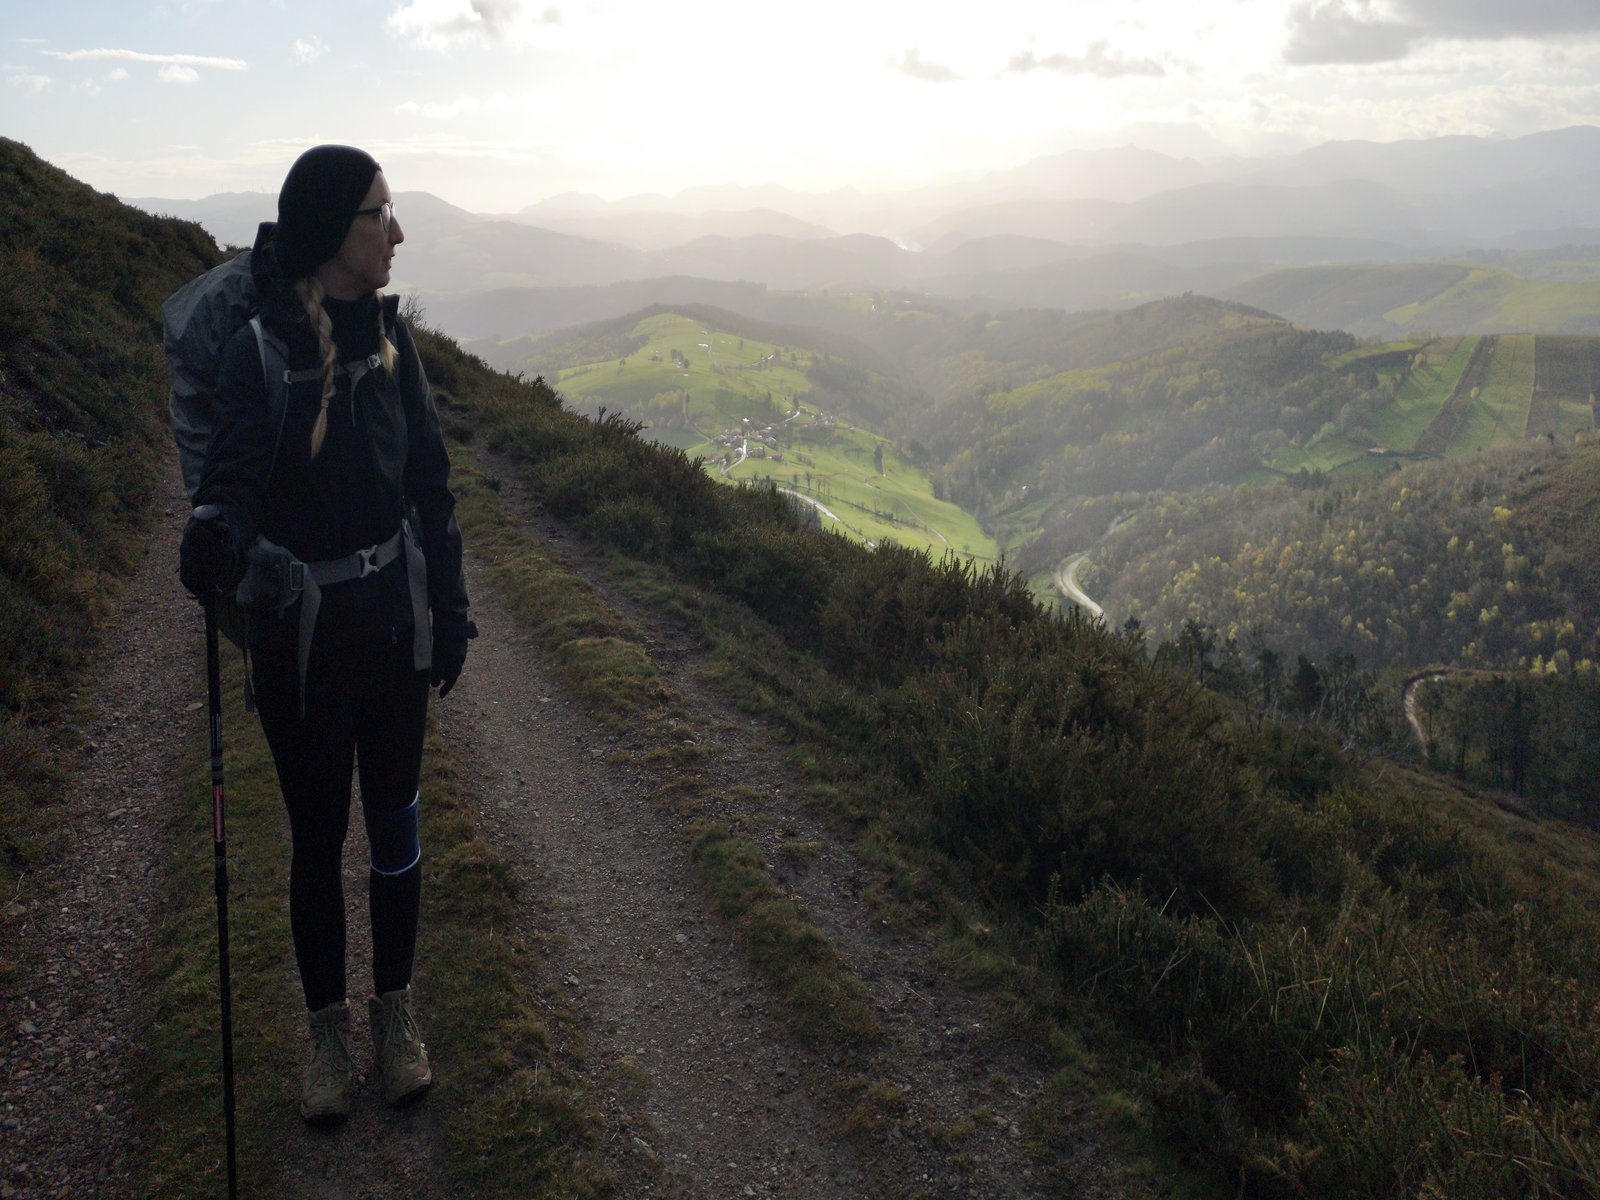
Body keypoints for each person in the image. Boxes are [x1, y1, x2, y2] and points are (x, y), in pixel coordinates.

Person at [178, 144, 475, 1126]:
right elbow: (229, 473)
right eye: (379, 214)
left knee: (393, 829)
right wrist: (213, 533)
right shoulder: (260, 352)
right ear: (331, 233)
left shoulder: (393, 343)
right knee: (318, 841)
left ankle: (393, 1018)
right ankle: (327, 1034)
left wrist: (453, 609)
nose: (397, 232)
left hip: (391, 631)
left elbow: (430, 487)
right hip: (302, 644)